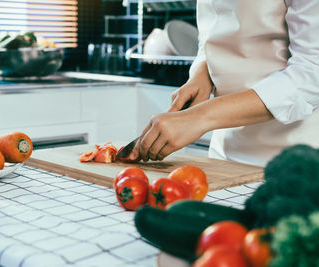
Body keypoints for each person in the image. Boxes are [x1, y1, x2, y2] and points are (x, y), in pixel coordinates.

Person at [129, 0, 319, 167]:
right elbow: (213, 34)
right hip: (223, 155)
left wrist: (200, 117)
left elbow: (311, 72)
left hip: (292, 156)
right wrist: (202, 73)